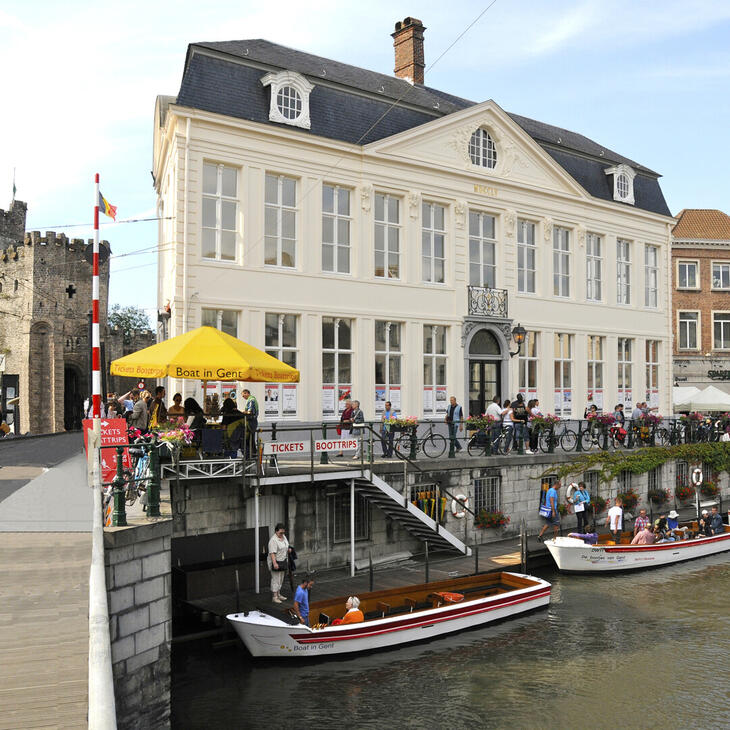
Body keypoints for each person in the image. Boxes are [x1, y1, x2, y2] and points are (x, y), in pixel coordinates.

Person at [268, 523, 290, 604]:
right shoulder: (273, 540)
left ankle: (279, 594)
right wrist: (274, 563)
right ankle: (274, 596)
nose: (282, 534)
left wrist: (288, 550)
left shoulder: (283, 537)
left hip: (283, 561)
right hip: (276, 561)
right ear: (276, 531)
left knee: (281, 578)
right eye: (280, 533)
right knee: (276, 579)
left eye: (283, 532)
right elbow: (272, 553)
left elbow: (286, 545)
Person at [241, 388, 259, 458]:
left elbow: (250, 412)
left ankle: (251, 454)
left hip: (251, 422)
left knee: (249, 438)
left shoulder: (251, 400)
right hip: (253, 421)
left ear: (247, 393)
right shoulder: (252, 399)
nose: (243, 397)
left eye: (243, 395)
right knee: (251, 438)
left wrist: (242, 412)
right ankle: (253, 454)